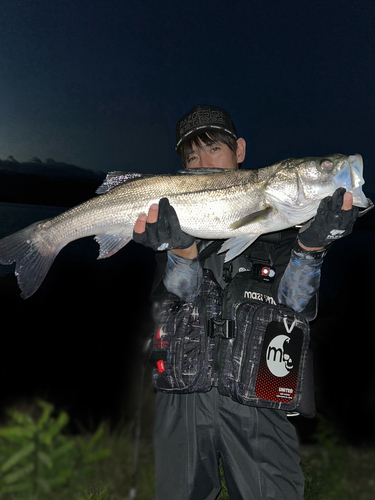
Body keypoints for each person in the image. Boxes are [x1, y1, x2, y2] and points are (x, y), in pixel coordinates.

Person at [133, 105, 359, 500]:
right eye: (191, 157)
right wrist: (182, 252)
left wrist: (311, 246)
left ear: (239, 149)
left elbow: (296, 307)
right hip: (185, 393)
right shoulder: (171, 223)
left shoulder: (287, 228)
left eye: (214, 148)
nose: (204, 162)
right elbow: (178, 299)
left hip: (261, 389)